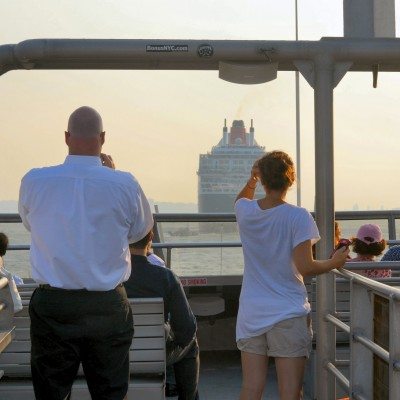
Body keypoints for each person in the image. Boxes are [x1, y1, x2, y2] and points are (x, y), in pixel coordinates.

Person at [18, 106, 153, 400]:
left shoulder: (34, 181)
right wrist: (112, 176)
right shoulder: (125, 183)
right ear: (103, 138)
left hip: (53, 305)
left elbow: (31, 223)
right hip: (107, 305)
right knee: (110, 394)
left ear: (66, 137)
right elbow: (139, 231)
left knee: (51, 393)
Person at [234, 150, 349, 400]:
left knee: (251, 388)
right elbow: (305, 267)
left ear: (263, 178)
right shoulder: (298, 216)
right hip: (287, 311)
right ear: (291, 180)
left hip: (251, 312)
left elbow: (240, 200)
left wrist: (251, 181)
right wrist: (334, 262)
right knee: (290, 392)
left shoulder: (246, 212)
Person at [124, 230, 199, 400]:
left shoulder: (110, 276)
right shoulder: (166, 277)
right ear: (150, 239)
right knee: (191, 342)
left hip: (115, 354)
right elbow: (186, 329)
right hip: (156, 355)